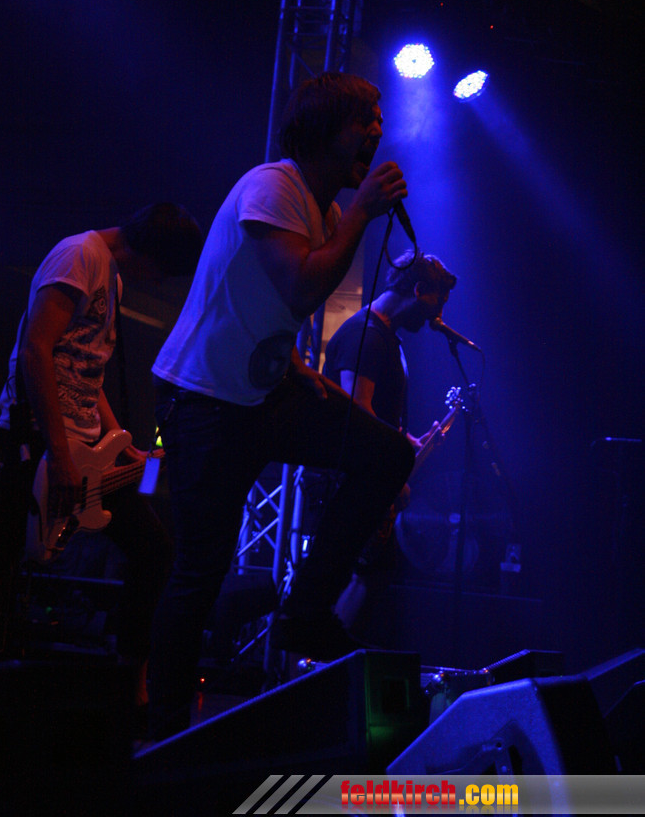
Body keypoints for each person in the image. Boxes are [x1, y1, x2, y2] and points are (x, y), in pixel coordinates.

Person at [148, 72, 419, 740]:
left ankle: (306, 611)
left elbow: (268, 308)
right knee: (199, 571)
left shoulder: (323, 213)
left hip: (265, 395)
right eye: (364, 118)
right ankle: (165, 734)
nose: (378, 130)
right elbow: (297, 288)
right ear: (324, 127)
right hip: (205, 400)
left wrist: (299, 369)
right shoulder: (272, 186)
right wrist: (361, 215)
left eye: (379, 118)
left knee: (386, 454)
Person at [0, 203, 203, 711]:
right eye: (161, 271)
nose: (158, 282)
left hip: (87, 446)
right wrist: (59, 452)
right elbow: (37, 349)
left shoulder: (112, 276)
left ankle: (129, 681)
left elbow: (89, 369)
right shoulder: (79, 256)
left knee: (154, 552)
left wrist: (118, 439)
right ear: (148, 252)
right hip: (41, 441)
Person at [322, 249, 457, 627]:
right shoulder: (366, 335)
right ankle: (317, 653)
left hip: (367, 480)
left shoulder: (386, 337)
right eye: (437, 302)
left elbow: (375, 417)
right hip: (348, 484)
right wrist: (393, 470)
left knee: (372, 575)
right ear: (418, 290)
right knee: (351, 577)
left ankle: (329, 649)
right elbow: (358, 413)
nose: (437, 315)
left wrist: (406, 441)